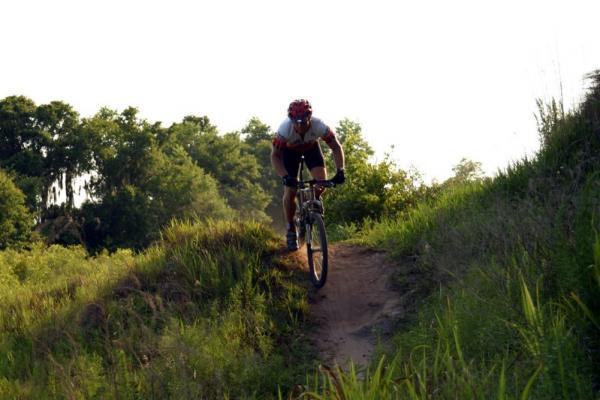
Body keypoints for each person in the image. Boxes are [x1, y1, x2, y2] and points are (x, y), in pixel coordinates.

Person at [271, 99, 346, 251]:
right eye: (296, 122)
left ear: (309, 118)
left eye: (303, 122)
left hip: (311, 150)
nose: (299, 126)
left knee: (321, 183)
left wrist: (340, 170)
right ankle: (291, 230)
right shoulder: (284, 130)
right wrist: (285, 177)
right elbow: (275, 156)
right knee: (290, 191)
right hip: (289, 153)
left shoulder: (320, 126)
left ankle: (314, 201)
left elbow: (336, 147)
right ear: (291, 120)